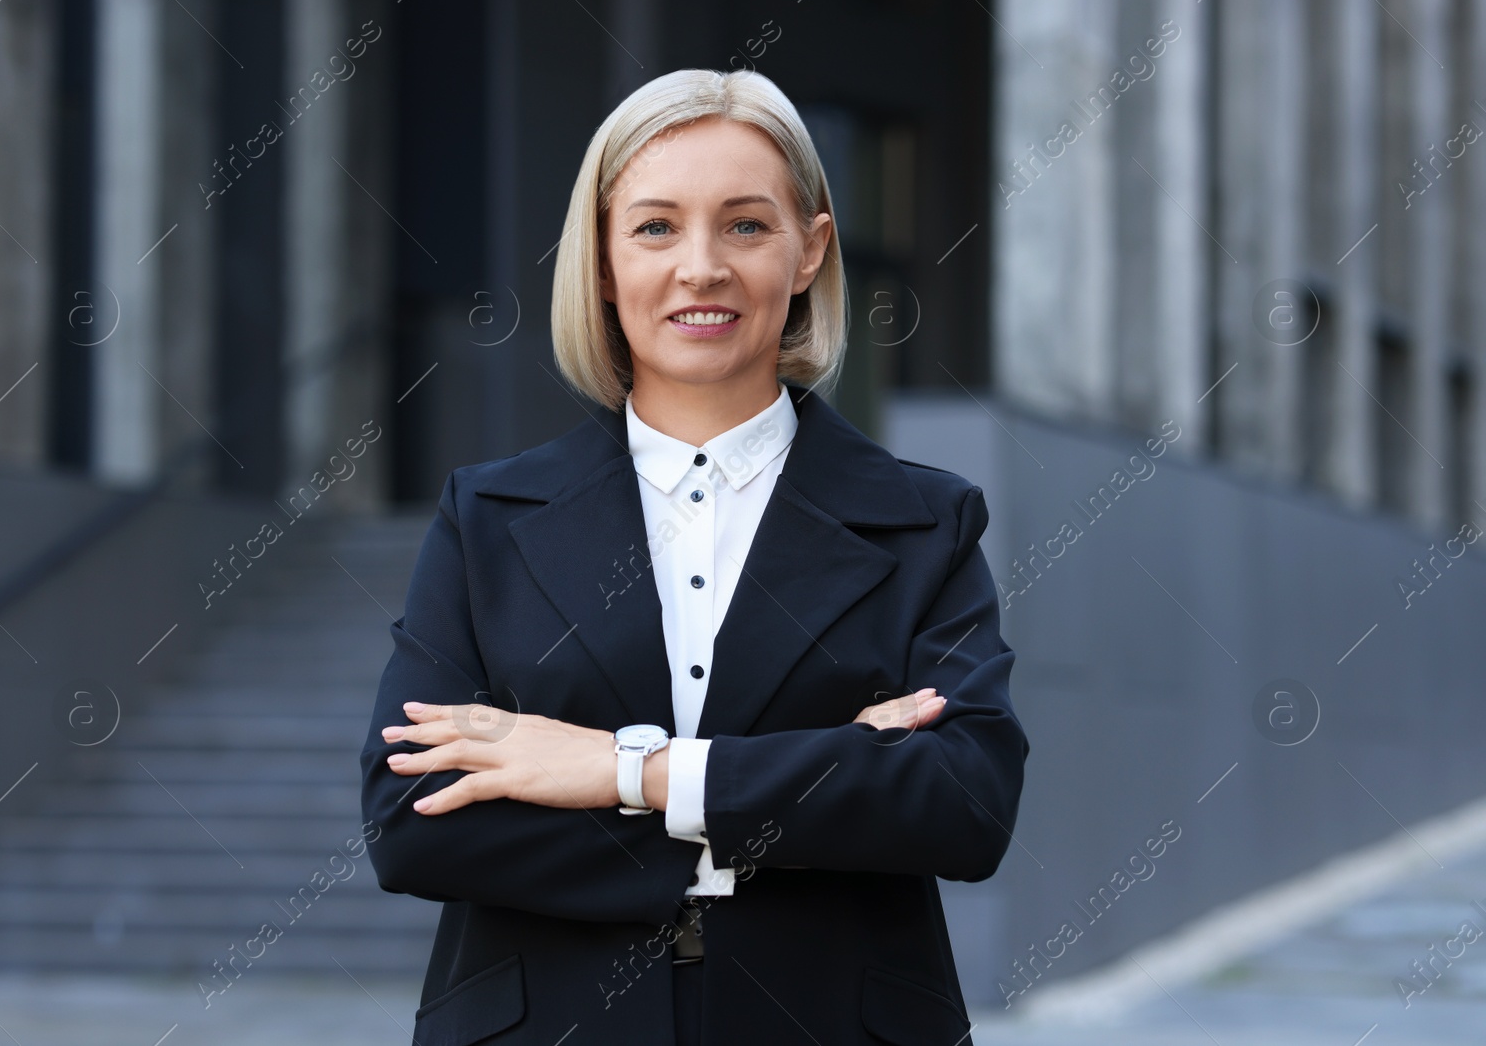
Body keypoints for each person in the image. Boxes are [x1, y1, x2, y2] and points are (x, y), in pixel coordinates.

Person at [360, 67, 1026, 1046]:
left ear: (810, 249)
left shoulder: (924, 519)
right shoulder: (489, 516)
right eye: (656, 226)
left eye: (747, 225)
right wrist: (820, 776)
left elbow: (962, 800)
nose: (701, 267)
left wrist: (615, 767)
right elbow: (410, 814)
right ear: (599, 261)